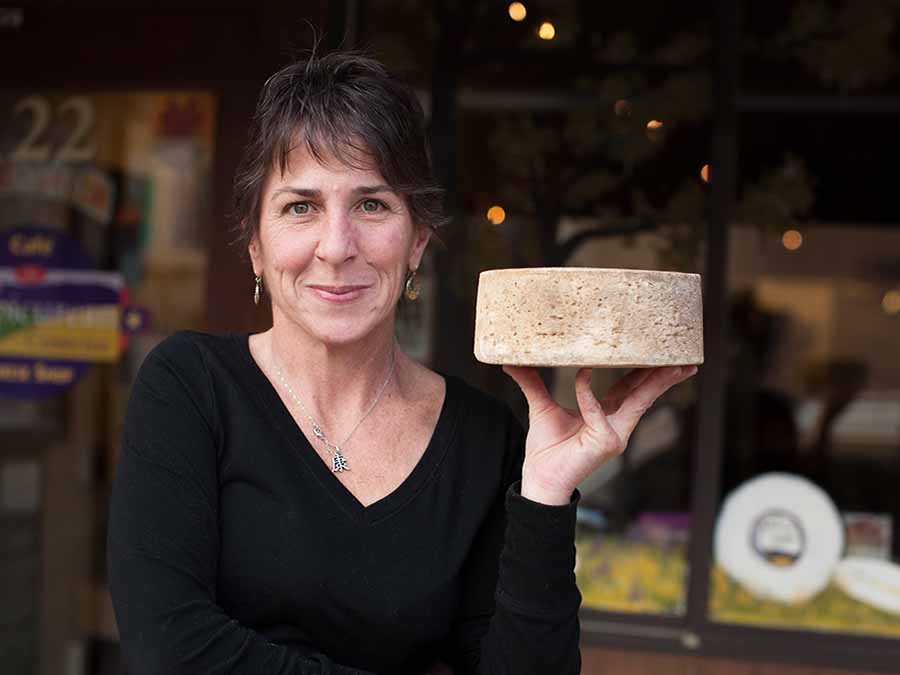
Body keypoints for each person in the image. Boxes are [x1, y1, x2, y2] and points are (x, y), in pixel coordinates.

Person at [106, 50, 698, 675]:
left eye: (372, 205)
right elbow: (170, 648)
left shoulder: (484, 440)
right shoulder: (190, 388)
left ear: (417, 241)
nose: (336, 247)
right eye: (300, 206)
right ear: (256, 245)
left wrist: (546, 496)